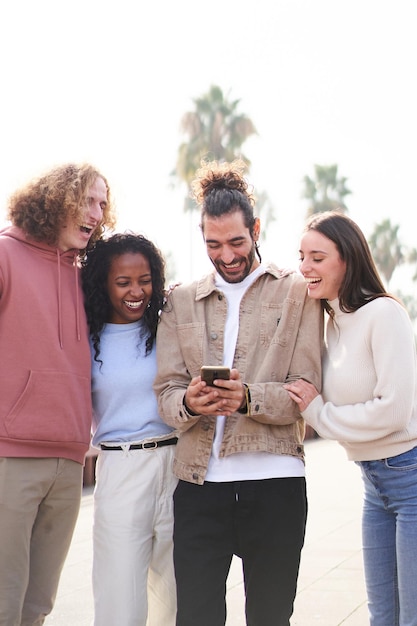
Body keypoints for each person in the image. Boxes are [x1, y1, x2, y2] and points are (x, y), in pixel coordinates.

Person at [153, 159, 323, 626]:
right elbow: (165, 391)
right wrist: (189, 402)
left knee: (270, 618)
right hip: (198, 487)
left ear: (256, 229)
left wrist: (247, 398)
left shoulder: (297, 293)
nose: (226, 255)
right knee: (197, 617)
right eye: (212, 244)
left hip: (276, 482)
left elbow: (306, 389)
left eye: (236, 242)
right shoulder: (180, 299)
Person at [285, 210, 417, 626]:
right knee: (382, 615)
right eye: (302, 256)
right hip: (373, 485)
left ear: (347, 259)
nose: (305, 267)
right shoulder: (330, 325)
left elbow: (394, 411)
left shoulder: (385, 314)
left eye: (317, 258)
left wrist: (320, 415)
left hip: (410, 479)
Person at [0, 163, 115, 625]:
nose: (96, 212)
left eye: (103, 204)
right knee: (4, 601)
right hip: (11, 456)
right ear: (56, 199)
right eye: (87, 200)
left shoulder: (83, 275)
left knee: (38, 604)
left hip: (69, 459)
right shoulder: (6, 254)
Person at [82, 232, 178, 626]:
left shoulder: (169, 329)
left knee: (175, 597)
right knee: (120, 599)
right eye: (123, 282)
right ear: (104, 283)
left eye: (145, 280)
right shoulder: (86, 339)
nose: (136, 291)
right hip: (121, 468)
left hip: (177, 465)